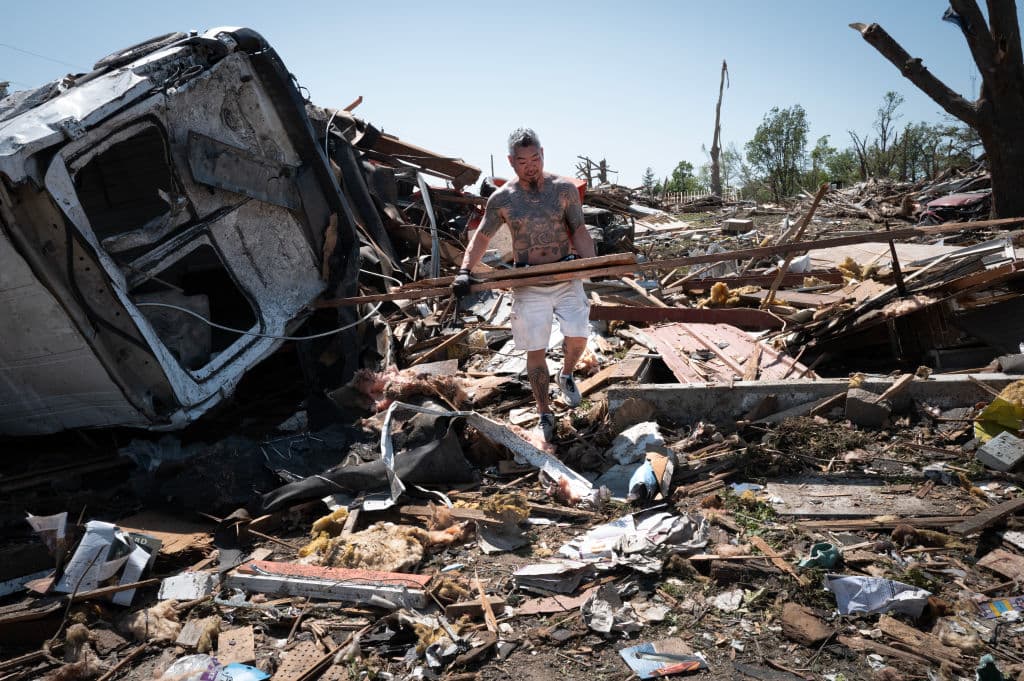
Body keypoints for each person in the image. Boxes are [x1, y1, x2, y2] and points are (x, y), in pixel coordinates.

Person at [452, 128, 596, 442]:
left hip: (564, 275)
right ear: (511, 162)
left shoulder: (564, 190)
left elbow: (580, 229)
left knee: (578, 337)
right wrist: (464, 271)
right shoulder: (503, 199)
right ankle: (544, 410)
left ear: (543, 153)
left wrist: (592, 263)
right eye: (523, 161)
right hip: (527, 281)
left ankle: (567, 373)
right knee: (536, 350)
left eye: (536, 158)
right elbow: (482, 238)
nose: (531, 165)